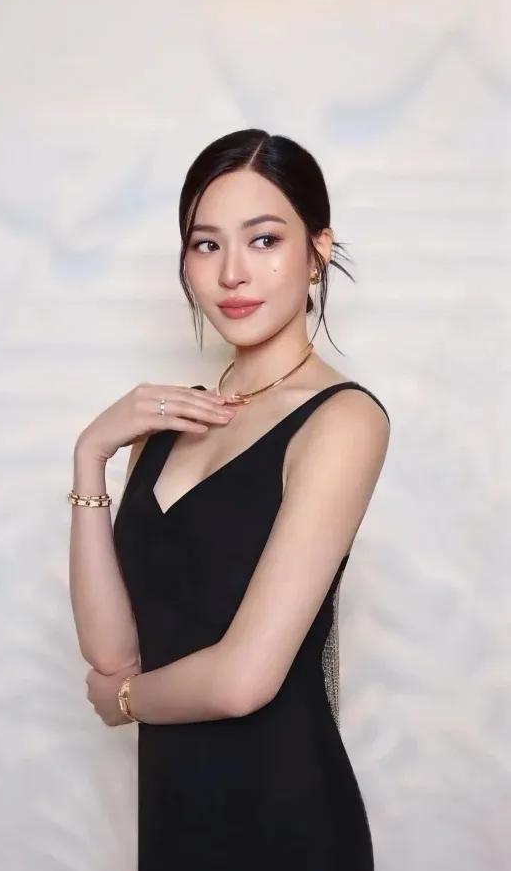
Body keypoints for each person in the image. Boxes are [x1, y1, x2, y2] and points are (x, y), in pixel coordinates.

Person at [69, 128, 391, 870]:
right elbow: (113, 651)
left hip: (288, 820)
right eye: (206, 245)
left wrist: (124, 702)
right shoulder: (167, 422)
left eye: (264, 239)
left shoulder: (342, 420)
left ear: (317, 251)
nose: (233, 273)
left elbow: (246, 678)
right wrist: (90, 457)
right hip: (174, 816)